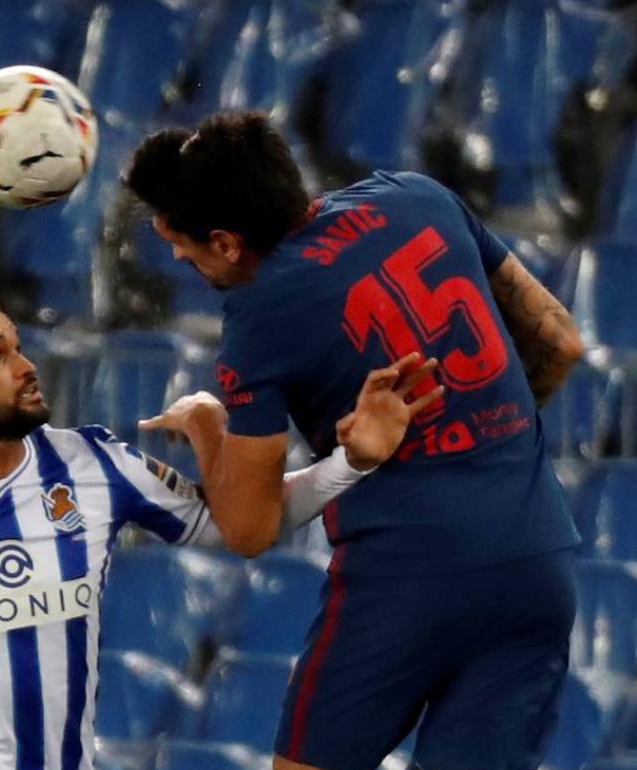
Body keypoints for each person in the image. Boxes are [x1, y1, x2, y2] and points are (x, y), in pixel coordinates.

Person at [0, 290, 439, 770]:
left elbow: (247, 526)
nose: (26, 364)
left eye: (18, 345)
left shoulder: (93, 464)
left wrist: (351, 462)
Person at [125, 112, 585, 770]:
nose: (176, 257)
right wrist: (474, 421)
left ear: (226, 243)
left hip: (406, 583)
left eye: (183, 244)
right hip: (537, 560)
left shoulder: (262, 314)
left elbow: (250, 528)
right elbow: (562, 342)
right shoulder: (420, 195)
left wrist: (206, 425)